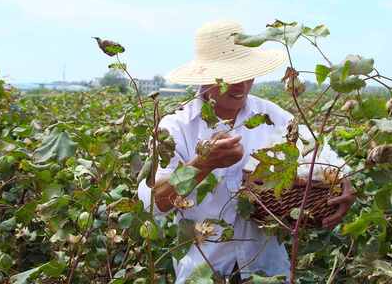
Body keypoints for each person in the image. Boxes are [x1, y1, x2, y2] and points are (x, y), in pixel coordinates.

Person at [137, 20, 355, 283]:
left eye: (246, 73)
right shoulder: (175, 128)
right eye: (228, 77)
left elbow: (323, 159)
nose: (241, 85)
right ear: (205, 75)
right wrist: (203, 164)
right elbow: (151, 205)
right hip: (203, 272)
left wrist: (343, 182)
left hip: (268, 270)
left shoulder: (274, 117)